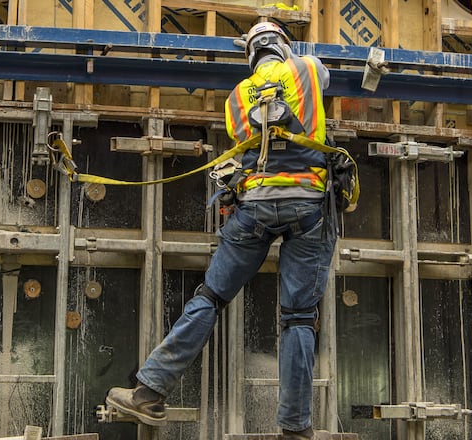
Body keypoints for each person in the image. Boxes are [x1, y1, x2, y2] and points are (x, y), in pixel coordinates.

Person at [106, 21, 335, 440]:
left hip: (253, 209)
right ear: (283, 45)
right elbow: (324, 81)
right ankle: (295, 429)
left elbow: (244, 150)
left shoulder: (236, 98)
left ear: (249, 54)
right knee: (299, 317)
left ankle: (149, 391)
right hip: (308, 205)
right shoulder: (306, 68)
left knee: (210, 298)